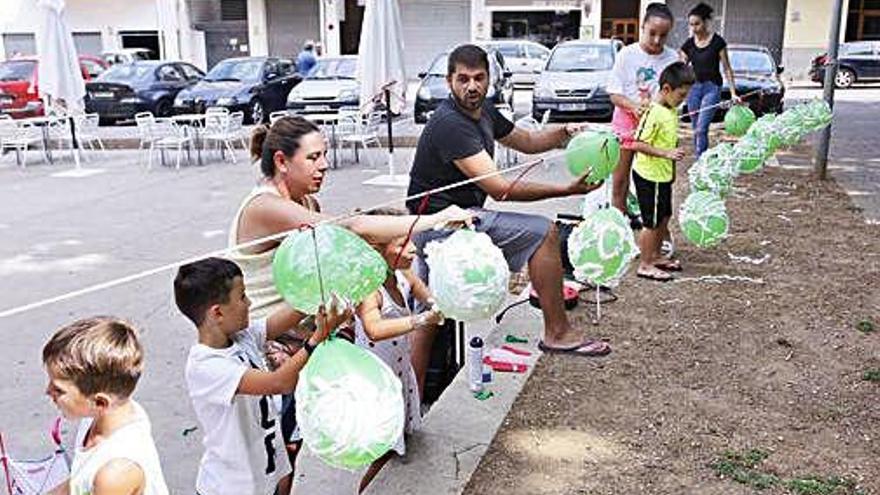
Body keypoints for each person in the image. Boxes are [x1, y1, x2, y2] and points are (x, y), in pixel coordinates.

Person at [229, 118, 470, 491]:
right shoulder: (265, 206)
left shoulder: (306, 201)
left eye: (324, 154)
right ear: (281, 160)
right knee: (275, 451)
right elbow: (351, 228)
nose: (324, 164)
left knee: (293, 442)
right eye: (313, 157)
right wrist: (433, 219)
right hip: (267, 342)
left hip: (306, 335)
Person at [406, 43, 611, 365]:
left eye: (479, 78)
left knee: (431, 311)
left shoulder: (483, 110)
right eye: (463, 79)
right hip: (439, 225)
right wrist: (564, 190)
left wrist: (563, 133)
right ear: (449, 82)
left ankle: (411, 401)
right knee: (543, 233)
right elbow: (500, 188)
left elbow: (527, 141)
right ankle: (557, 333)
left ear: (490, 79)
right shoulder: (451, 123)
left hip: (459, 217)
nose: (471, 86)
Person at [174, 257, 351, 495]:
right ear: (217, 313)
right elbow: (279, 383)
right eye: (242, 296)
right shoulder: (206, 366)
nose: (250, 302)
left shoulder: (240, 336)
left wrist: (321, 291)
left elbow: (283, 318)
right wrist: (317, 338)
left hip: (263, 477)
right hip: (230, 488)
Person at [354, 208, 445, 491]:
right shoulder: (370, 288)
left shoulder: (401, 272)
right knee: (383, 451)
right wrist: (419, 320)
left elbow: (420, 289)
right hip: (377, 384)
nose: (414, 248)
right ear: (377, 249)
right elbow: (373, 328)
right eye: (404, 243)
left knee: (396, 445)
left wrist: (438, 303)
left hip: (398, 376)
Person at [42, 317, 169, 495]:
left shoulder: (114, 473)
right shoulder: (104, 415)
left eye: (58, 390)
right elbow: (77, 482)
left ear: (100, 402)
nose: (48, 391)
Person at [607, 3, 679, 224]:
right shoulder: (626, 55)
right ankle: (620, 225)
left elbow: (677, 94)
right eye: (652, 34)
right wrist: (633, 106)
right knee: (620, 180)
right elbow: (614, 93)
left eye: (663, 35)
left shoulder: (673, 57)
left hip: (657, 127)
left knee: (661, 180)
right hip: (626, 122)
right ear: (642, 28)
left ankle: (656, 228)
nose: (657, 41)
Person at [631, 62, 695, 281]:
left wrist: (672, 167)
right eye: (681, 95)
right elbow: (637, 144)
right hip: (650, 176)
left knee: (664, 216)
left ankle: (656, 256)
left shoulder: (670, 110)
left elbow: (671, 140)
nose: (683, 100)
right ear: (666, 89)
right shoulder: (654, 112)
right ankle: (645, 264)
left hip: (664, 175)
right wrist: (666, 154)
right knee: (650, 222)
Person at [680, 2, 739, 157]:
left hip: (712, 88)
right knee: (696, 128)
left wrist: (733, 93)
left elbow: (727, 68)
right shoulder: (689, 44)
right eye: (691, 25)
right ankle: (702, 157)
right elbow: (681, 69)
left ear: (705, 22)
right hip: (694, 89)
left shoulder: (718, 42)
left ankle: (701, 160)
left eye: (697, 24)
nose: (694, 28)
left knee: (702, 127)